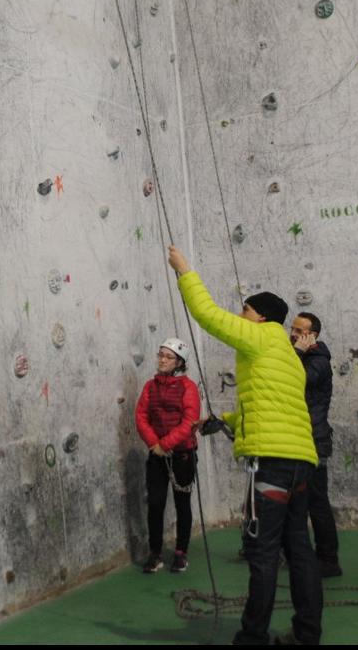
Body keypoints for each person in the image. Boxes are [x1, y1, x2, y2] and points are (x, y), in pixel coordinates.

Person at [167, 245, 322, 645]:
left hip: (271, 464)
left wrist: (184, 270)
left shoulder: (260, 337)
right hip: (301, 463)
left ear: (261, 316)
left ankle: (252, 638)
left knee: (263, 552)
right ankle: (307, 635)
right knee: (299, 550)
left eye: (246, 310)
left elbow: (208, 315)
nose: (241, 316)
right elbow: (274, 407)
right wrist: (224, 421)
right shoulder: (287, 355)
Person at [135, 338, 201, 574]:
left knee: (183, 503)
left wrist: (166, 444)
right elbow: (141, 416)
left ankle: (181, 552)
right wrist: (155, 444)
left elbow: (189, 422)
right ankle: (155, 553)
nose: (162, 359)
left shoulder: (188, 387)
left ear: (179, 362)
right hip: (157, 454)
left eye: (168, 356)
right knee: (155, 503)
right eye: (160, 354)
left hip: (182, 454)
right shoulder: (150, 387)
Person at [290, 312, 340, 578]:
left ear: (312, 336)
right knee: (298, 500)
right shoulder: (301, 355)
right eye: (293, 328)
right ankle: (302, 554)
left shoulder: (318, 361)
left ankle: (328, 559)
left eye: (300, 331)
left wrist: (297, 352)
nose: (293, 334)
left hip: (313, 440)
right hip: (300, 438)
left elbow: (298, 381)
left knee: (317, 502)